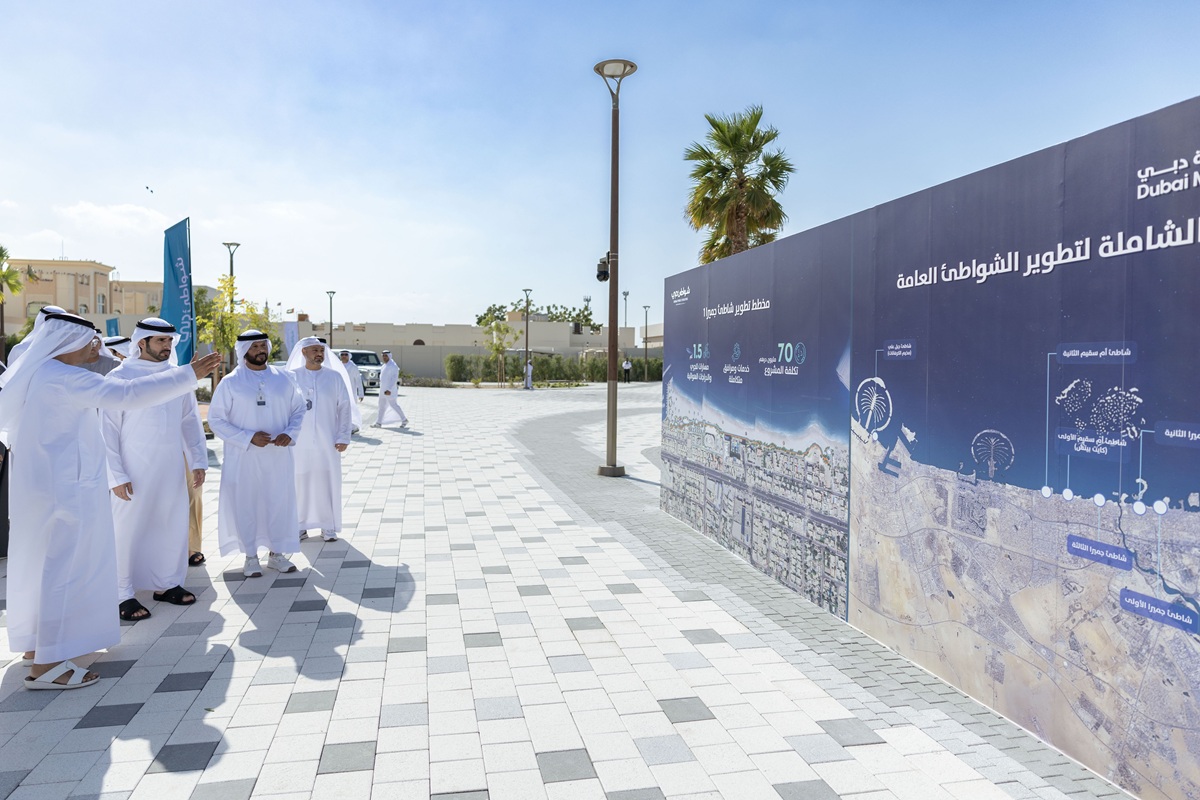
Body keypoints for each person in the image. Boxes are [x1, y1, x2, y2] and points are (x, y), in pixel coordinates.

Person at [0, 313, 219, 689]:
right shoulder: (68, 378)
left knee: (41, 567)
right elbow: (129, 396)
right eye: (90, 342)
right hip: (64, 493)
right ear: (68, 342)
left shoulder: (42, 375)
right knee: (62, 571)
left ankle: (39, 648)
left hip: (46, 491)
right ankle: (48, 668)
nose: (96, 349)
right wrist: (188, 375)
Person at [102, 319, 208, 621]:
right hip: (132, 470)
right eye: (160, 341)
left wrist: (197, 459)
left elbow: (189, 420)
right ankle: (122, 594)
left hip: (170, 468)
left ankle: (166, 584)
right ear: (141, 343)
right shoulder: (119, 377)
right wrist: (116, 475)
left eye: (169, 341)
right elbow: (107, 430)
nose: (167, 347)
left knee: (170, 524)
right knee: (126, 531)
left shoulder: (178, 377)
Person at [208, 330, 306, 577]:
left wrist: (290, 433)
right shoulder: (230, 382)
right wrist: (247, 437)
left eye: (263, 345)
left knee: (278, 502)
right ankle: (250, 556)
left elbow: (298, 409)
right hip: (244, 457)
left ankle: (277, 554)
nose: (261, 350)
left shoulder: (283, 378)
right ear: (243, 351)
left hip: (278, 456)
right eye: (255, 347)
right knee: (247, 503)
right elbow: (216, 420)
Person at [287, 337, 351, 542]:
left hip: (328, 440)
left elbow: (344, 408)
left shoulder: (334, 378)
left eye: (321, 350)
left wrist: (343, 436)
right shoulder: (291, 377)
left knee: (327, 480)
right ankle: (299, 524)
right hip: (298, 442)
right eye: (314, 350)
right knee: (299, 480)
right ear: (303, 352)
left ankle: (327, 525)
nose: (319, 354)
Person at [373, 350, 408, 428]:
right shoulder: (384, 366)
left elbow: (394, 379)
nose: (384, 357)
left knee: (393, 405)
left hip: (389, 390)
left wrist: (389, 389)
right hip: (383, 390)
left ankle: (404, 419)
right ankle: (378, 423)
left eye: (386, 356)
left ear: (389, 356)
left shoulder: (393, 366)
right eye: (383, 356)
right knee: (381, 406)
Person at [337, 350, 364, 433]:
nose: (344, 356)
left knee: (351, 410)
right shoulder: (338, 365)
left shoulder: (353, 366)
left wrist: (361, 394)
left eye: (346, 354)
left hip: (351, 392)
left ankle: (354, 426)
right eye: (342, 354)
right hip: (340, 392)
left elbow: (358, 380)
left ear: (349, 356)